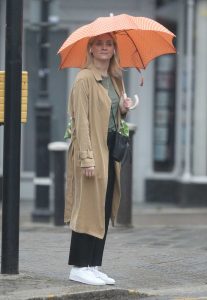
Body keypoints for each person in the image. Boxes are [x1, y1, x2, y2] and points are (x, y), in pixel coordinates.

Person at [65, 33, 133, 286]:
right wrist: (86, 158)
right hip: (92, 150)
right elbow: (80, 121)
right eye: (99, 44)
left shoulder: (115, 78)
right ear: (91, 49)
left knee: (103, 208)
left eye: (109, 44)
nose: (104, 48)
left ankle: (93, 265)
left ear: (114, 49)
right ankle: (79, 266)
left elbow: (114, 117)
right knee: (87, 210)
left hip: (109, 150)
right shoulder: (83, 79)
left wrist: (123, 109)